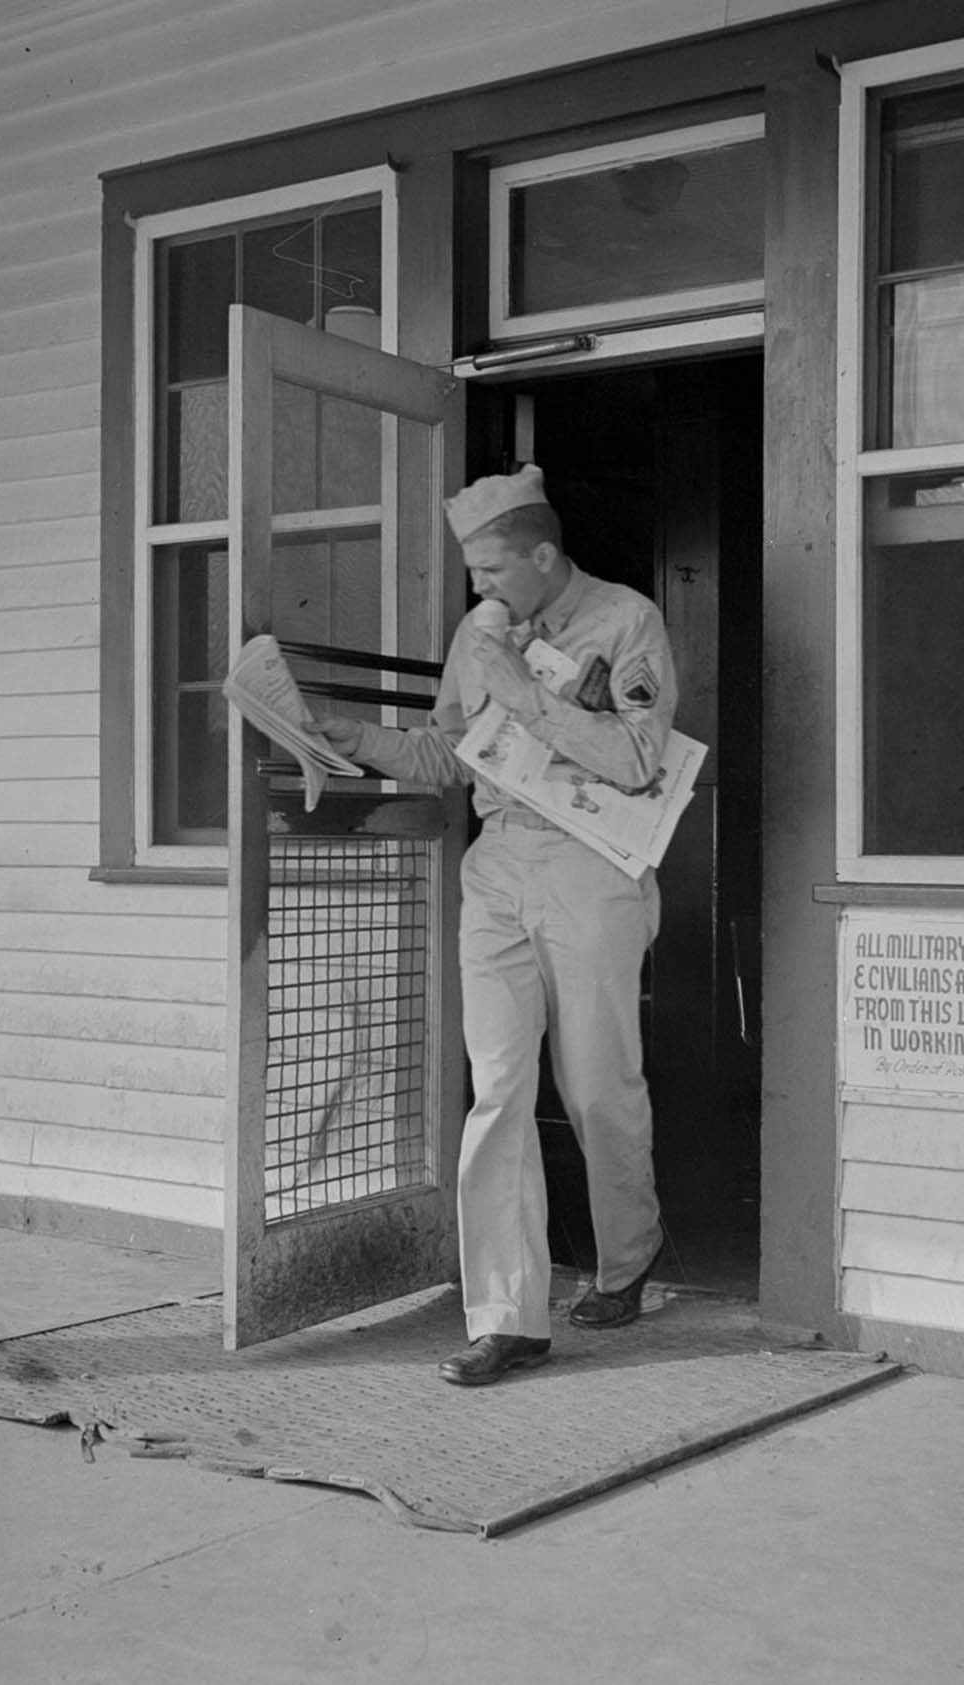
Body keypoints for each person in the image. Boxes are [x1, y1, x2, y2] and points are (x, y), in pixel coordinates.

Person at [316, 464, 676, 1387]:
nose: (478, 591)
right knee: (499, 1087)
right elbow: (448, 748)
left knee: (596, 1083)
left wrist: (520, 687)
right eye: (473, 575)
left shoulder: (626, 620)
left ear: (545, 556)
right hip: (499, 861)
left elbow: (636, 760)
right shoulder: (480, 635)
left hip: (591, 862)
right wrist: (349, 739)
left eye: (491, 573)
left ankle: (627, 1259)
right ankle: (508, 1314)